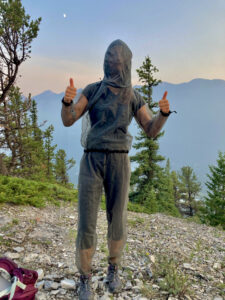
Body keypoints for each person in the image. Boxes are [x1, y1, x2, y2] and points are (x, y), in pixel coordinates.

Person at [61, 39, 172, 300]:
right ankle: (85, 278)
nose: (115, 65)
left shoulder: (132, 95)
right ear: (107, 62)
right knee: (87, 221)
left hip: (120, 161)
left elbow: (150, 130)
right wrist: (67, 103)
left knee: (118, 220)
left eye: (119, 62)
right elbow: (69, 120)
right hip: (93, 160)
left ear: (126, 65)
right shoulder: (93, 90)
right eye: (112, 62)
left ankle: (113, 269)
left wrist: (163, 115)